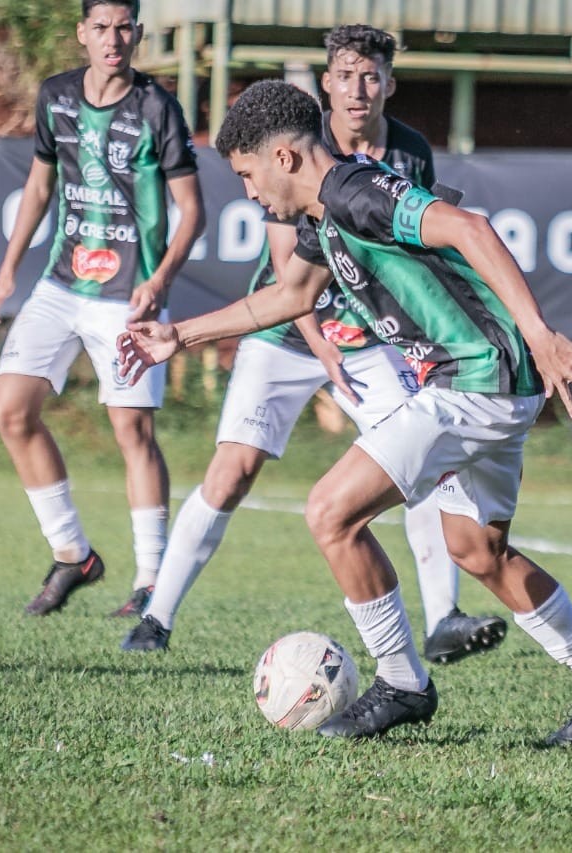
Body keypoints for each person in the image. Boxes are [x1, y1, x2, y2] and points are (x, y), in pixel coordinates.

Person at [117, 79, 572, 741]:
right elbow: (289, 296)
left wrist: (540, 334)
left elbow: (469, 228)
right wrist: (181, 335)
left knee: (331, 512)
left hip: (473, 378)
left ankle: (402, 680)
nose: (251, 194)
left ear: (284, 159)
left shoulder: (356, 192)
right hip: (486, 379)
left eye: (249, 176)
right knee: (478, 552)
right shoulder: (327, 211)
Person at [120, 24, 506, 664]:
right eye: (346, 74)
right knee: (233, 469)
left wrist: (404, 338)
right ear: (326, 82)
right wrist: (318, 340)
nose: (359, 88)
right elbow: (287, 271)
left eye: (372, 74)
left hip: (370, 340)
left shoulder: (408, 151)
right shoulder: (293, 141)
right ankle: (156, 616)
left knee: (422, 465)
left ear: (389, 82)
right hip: (285, 331)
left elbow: (414, 250)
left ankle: (443, 618)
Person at [0, 0, 205, 617]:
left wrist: (159, 281)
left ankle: (152, 581)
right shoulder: (55, 98)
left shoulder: (158, 108)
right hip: (60, 283)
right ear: (82, 33)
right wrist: (5, 276)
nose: (113, 39)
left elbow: (193, 211)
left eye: (124, 27)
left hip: (128, 295)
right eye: (101, 28)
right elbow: (39, 186)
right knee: (10, 410)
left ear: (137, 33)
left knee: (132, 431)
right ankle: (73, 554)